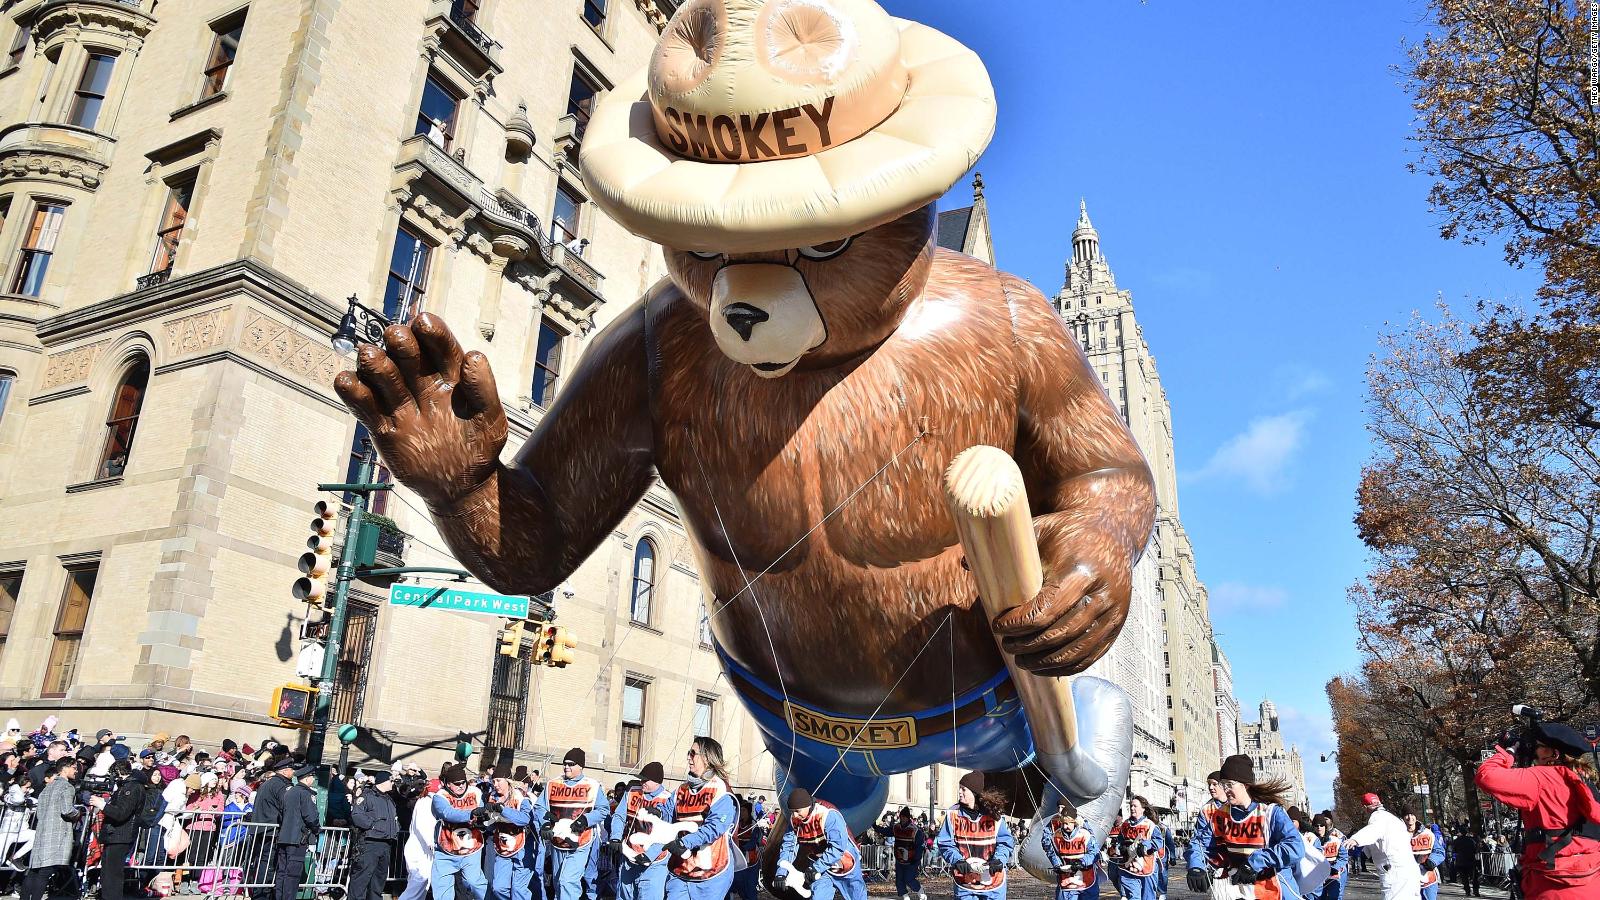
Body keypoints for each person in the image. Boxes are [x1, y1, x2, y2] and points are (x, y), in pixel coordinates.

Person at [1475, 720, 1600, 900]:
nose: (1533, 752)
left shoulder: (1543, 777)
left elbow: (1486, 776)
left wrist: (1510, 751)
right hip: (1590, 879)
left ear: (1553, 753)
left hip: (1551, 884)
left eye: (1538, 747)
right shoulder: (1585, 779)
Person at [1183, 754, 1305, 900]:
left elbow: (1295, 847)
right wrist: (1196, 866)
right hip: (1239, 890)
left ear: (1245, 784)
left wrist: (1255, 862)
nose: (1226, 789)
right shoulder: (1220, 815)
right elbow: (1200, 844)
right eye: (1223, 784)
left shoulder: (1270, 813)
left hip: (1274, 888)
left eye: (1230, 784)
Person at [661, 737, 736, 900]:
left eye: (693, 753)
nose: (688, 757)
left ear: (707, 758)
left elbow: (715, 827)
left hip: (711, 874)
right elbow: (667, 811)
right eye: (689, 753)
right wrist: (655, 813)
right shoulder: (681, 789)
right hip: (680, 871)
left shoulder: (720, 789)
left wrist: (684, 842)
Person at [534, 748, 610, 900]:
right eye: (565, 764)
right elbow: (539, 807)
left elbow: (603, 809)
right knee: (557, 882)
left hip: (580, 841)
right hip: (557, 841)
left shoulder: (592, 785)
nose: (566, 767)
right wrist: (545, 823)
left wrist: (586, 820)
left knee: (567, 881)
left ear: (581, 766)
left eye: (571, 764)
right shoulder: (553, 784)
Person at [935, 772, 1013, 900]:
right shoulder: (953, 814)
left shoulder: (994, 816)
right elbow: (945, 843)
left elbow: (1005, 842)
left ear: (974, 793)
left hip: (992, 881)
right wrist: (957, 860)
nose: (960, 792)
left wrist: (999, 860)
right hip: (965, 881)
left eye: (964, 789)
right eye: (959, 788)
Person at [776, 788, 866, 900]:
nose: (794, 815)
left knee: (856, 896)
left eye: (797, 811)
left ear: (807, 806)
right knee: (818, 897)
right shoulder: (794, 820)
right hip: (820, 866)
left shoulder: (828, 814)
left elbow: (838, 847)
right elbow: (789, 846)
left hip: (845, 862)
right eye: (792, 811)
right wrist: (781, 873)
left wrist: (816, 868)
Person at [22, 757, 82, 900]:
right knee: (45, 872)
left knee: (34, 870)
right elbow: (67, 810)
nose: (76, 771)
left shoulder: (47, 787)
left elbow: (40, 812)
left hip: (43, 830)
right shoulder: (67, 787)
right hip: (58, 833)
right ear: (65, 768)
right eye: (74, 768)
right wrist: (78, 813)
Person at [610, 763, 672, 900]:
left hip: (654, 863)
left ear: (657, 781)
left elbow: (668, 835)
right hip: (628, 857)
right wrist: (615, 837)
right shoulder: (632, 791)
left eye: (645, 780)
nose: (642, 782)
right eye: (641, 779)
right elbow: (620, 815)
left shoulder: (668, 799)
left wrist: (650, 854)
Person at [431, 762, 489, 900]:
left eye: (463, 782)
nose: (461, 786)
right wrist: (471, 813)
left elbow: (483, 815)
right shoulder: (440, 796)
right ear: (448, 784)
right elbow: (447, 813)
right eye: (457, 783)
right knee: (442, 893)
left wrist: (483, 821)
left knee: (475, 884)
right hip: (446, 850)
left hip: (471, 848)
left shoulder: (475, 792)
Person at [1348, 793, 1419, 900]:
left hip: (1394, 872)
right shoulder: (1393, 819)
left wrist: (1355, 839)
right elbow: (1374, 843)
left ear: (1365, 807)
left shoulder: (1377, 818)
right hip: (1410, 869)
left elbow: (1374, 830)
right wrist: (1362, 852)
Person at [350, 771, 400, 900]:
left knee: (378, 880)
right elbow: (357, 815)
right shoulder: (367, 796)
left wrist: (396, 828)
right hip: (370, 843)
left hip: (386, 843)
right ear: (383, 781)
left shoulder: (389, 799)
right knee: (361, 879)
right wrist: (372, 826)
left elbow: (394, 819)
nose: (392, 783)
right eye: (391, 780)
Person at [99, 759, 145, 900]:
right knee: (107, 873)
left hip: (121, 834)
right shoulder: (125, 787)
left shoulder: (132, 788)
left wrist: (103, 805)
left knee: (113, 874)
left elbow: (121, 813)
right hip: (114, 834)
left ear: (118, 772)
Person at [485, 777, 537, 900]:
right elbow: (491, 825)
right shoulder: (492, 797)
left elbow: (525, 819)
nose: (495, 784)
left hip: (523, 847)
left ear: (508, 781)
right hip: (503, 847)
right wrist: (483, 821)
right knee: (499, 888)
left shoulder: (521, 797)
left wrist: (504, 810)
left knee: (518, 890)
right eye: (493, 781)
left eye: (498, 781)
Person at [274, 766, 320, 900]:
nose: (313, 779)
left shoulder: (289, 791)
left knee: (282, 872)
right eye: (312, 777)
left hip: (284, 837)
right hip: (298, 839)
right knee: (292, 875)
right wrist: (317, 829)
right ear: (307, 778)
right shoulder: (306, 794)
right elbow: (311, 817)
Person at [1041, 801, 1100, 900]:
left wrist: (1082, 862)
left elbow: (1095, 853)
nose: (1065, 826)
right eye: (1063, 823)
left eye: (1068, 824)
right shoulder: (1056, 834)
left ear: (1074, 822)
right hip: (1066, 882)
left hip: (1086, 880)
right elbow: (1051, 852)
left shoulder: (1084, 834)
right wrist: (1057, 865)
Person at [1111, 796, 1160, 900]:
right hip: (1128, 867)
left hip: (1146, 866)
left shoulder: (1150, 825)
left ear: (1143, 808)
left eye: (1135, 806)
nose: (1132, 808)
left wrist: (1146, 845)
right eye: (1131, 806)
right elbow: (1120, 840)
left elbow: (1158, 842)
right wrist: (1122, 847)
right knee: (1133, 897)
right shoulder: (1125, 825)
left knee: (1148, 897)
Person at [873, 806, 926, 900]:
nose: (902, 819)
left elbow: (920, 846)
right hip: (900, 858)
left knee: (909, 879)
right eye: (901, 816)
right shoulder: (896, 827)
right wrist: (875, 827)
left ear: (908, 818)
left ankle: (920, 891)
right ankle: (905, 896)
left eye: (904, 817)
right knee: (899, 880)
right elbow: (886, 831)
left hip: (911, 860)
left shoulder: (915, 830)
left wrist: (916, 858)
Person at [1404, 812, 1444, 900]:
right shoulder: (1397, 835)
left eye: (1412, 814)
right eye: (1406, 815)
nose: (1410, 818)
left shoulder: (1427, 833)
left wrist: (1432, 861)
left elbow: (1439, 851)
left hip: (1428, 878)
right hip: (1406, 880)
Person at [1314, 816, 1347, 900]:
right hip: (1317, 877)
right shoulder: (1309, 841)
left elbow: (1343, 857)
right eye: (1316, 825)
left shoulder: (1336, 840)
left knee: (1335, 897)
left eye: (1321, 825)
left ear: (1325, 827)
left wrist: (1334, 868)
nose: (1319, 828)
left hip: (1334, 876)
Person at [1451, 830, 1481, 898]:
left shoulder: (1457, 840)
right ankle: (1476, 891)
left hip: (1461, 861)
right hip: (1471, 860)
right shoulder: (1471, 840)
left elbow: (1454, 850)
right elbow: (1475, 849)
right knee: (1474, 877)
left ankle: (1467, 891)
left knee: (1464, 878)